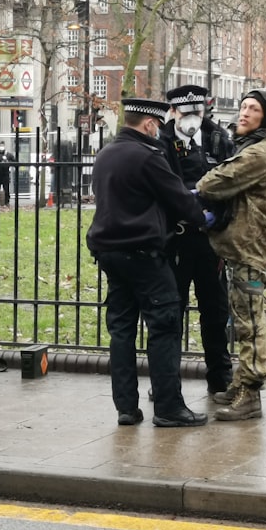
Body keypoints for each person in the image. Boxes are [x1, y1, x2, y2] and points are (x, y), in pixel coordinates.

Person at [86, 98, 212, 428]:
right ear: (149, 124)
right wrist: (203, 218)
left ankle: (126, 407)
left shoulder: (105, 155)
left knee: (122, 331)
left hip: (110, 254)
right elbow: (179, 198)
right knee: (165, 325)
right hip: (144, 255)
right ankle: (169, 407)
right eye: (157, 127)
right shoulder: (148, 156)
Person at [196, 90, 266, 421]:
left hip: (250, 247)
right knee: (245, 317)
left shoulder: (258, 154)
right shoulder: (251, 148)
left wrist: (202, 185)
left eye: (253, 109)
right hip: (242, 245)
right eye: (243, 106)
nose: (244, 113)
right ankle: (241, 383)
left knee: (249, 322)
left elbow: (213, 183)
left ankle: (250, 393)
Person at [159, 84, 234, 396]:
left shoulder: (218, 138)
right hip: (175, 239)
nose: (193, 118)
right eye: (186, 112)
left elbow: (232, 181)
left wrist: (220, 217)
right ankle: (166, 380)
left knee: (215, 312)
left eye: (198, 111)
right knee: (170, 313)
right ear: (174, 112)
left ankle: (221, 378)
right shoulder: (161, 142)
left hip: (209, 240)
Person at [0, 142, 16, 207]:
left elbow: (15, 162)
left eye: (3, 146)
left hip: (5, 174)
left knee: (6, 189)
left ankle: (7, 202)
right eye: (0, 146)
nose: (1, 147)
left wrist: (8, 162)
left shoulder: (8, 155)